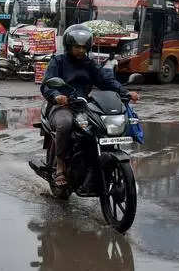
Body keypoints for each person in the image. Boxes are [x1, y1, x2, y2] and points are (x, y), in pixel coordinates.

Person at [41, 24, 138, 188]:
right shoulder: (58, 61)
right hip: (61, 106)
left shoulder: (89, 63)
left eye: (83, 47)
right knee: (65, 124)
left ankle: (94, 165)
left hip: (83, 105)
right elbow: (47, 85)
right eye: (76, 47)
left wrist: (125, 92)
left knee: (99, 126)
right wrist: (57, 96)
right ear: (69, 46)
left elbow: (105, 80)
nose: (80, 50)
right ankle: (60, 167)